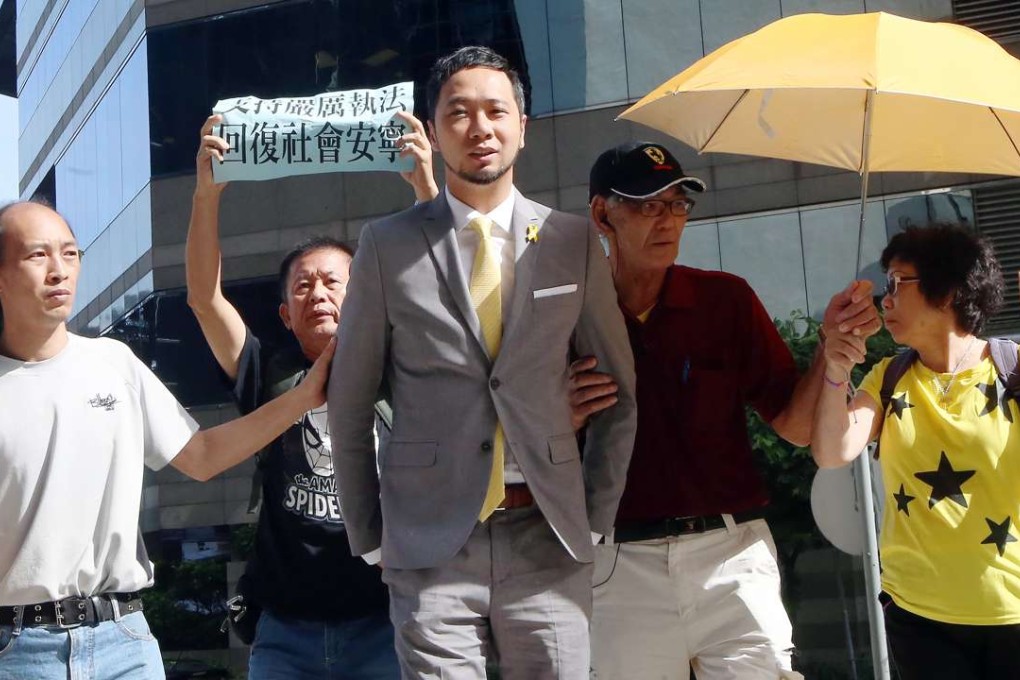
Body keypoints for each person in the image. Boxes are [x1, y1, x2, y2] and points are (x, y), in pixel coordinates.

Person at [326, 46, 638, 679]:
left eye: (496, 110)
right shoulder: (386, 245)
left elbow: (620, 395)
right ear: (435, 132)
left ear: (523, 126)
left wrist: (596, 518)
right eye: (459, 112)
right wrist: (372, 535)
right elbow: (351, 402)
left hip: (548, 535)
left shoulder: (573, 241)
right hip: (429, 541)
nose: (480, 127)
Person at [574, 141, 881, 680]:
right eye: (648, 205)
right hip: (616, 565)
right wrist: (561, 415)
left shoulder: (726, 300)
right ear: (603, 214)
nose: (668, 220)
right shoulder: (565, 313)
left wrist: (830, 351)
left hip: (733, 553)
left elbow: (795, 424)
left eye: (678, 205)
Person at [0, 200, 332, 679]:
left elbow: (201, 456)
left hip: (124, 641)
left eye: (70, 254)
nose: (59, 271)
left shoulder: (113, 363)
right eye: (38, 256)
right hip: (18, 651)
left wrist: (303, 397)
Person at [187, 110, 437, 679]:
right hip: (285, 633)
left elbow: (443, 284)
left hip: (386, 621)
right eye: (303, 284)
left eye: (333, 282)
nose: (317, 292)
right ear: (285, 311)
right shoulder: (262, 370)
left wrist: (425, 185)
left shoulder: (401, 366)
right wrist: (208, 196)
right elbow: (204, 298)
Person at [812, 224, 1019, 680]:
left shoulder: (1013, 371)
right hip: (919, 617)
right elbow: (832, 451)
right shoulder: (887, 378)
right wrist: (834, 368)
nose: (885, 300)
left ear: (947, 292)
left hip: (1012, 611)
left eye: (896, 283)